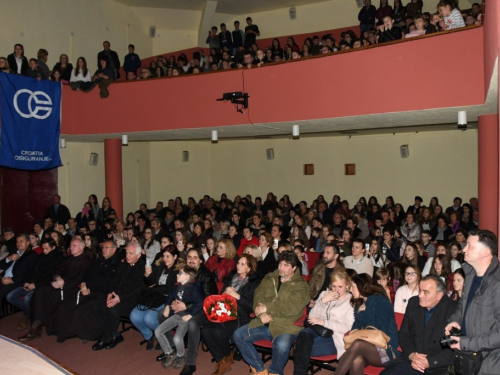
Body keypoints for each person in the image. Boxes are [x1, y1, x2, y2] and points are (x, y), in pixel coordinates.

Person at [233, 251, 310, 375]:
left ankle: (275, 372)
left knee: (282, 345)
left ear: (294, 268)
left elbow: (291, 307)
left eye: (286, 265)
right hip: (263, 322)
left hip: (286, 326)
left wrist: (267, 308)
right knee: (238, 335)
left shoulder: (301, 285)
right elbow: (257, 297)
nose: (281, 268)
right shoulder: (270, 278)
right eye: (280, 264)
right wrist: (261, 314)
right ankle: (260, 369)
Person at [19, 238, 92, 341]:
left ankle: (39, 325)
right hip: (59, 285)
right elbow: (56, 270)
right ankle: (37, 324)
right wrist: (58, 278)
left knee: (46, 295)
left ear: (81, 247)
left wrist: (62, 284)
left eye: (73, 246)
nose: (70, 248)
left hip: (72, 290)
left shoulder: (87, 261)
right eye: (70, 245)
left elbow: (82, 279)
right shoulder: (69, 258)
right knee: (40, 290)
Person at [381, 274, 457, 375]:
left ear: (439, 295)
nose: (420, 295)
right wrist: (411, 354)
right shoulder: (413, 303)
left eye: (426, 292)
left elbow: (454, 348)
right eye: (420, 290)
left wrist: (429, 362)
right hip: (413, 360)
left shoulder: (453, 311)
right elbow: (404, 334)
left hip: (438, 366)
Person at [202, 254, 261, 375]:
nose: (238, 266)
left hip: (239, 316)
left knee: (219, 334)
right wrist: (224, 294)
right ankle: (223, 360)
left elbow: (252, 307)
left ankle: (225, 360)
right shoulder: (231, 278)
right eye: (238, 263)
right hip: (223, 312)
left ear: (249, 268)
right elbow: (220, 297)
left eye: (242, 264)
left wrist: (237, 296)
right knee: (206, 331)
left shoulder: (254, 283)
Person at [334, 274, 400, 375]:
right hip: (369, 347)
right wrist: (360, 315)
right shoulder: (360, 303)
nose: (350, 290)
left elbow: (378, 328)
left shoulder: (379, 300)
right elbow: (355, 327)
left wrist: (362, 315)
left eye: (353, 286)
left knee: (357, 343)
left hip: (386, 348)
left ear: (361, 287)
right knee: (356, 361)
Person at [56, 240, 120, 342]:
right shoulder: (98, 260)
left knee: (81, 311)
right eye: (103, 247)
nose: (104, 250)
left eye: (107, 248)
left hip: (101, 293)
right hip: (86, 289)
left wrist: (87, 285)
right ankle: (66, 332)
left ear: (114, 250)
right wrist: (83, 284)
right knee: (64, 307)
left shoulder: (116, 263)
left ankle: (90, 334)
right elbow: (86, 273)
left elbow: (106, 279)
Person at [293, 269, 355, 375]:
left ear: (347, 286)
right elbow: (311, 317)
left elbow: (347, 327)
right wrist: (322, 302)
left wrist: (325, 323)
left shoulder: (350, 301)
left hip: (335, 336)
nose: (336, 290)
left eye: (340, 287)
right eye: (334, 286)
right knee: (304, 334)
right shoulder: (325, 294)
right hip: (317, 330)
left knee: (300, 349)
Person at [91, 243, 146, 350]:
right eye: (126, 253)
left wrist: (119, 298)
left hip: (131, 300)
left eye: (131, 253)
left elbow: (138, 289)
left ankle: (106, 338)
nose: (128, 256)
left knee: (113, 310)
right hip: (117, 295)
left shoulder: (142, 268)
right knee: (97, 307)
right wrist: (110, 293)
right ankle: (115, 335)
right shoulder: (123, 264)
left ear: (138, 255)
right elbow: (114, 280)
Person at [130, 245, 181, 350]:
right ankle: (149, 336)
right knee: (134, 316)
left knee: (148, 318)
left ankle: (163, 336)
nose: (165, 259)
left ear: (175, 257)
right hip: (153, 297)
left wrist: (155, 287)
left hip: (167, 299)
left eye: (168, 256)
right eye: (164, 256)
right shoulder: (160, 266)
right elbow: (150, 283)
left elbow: (170, 289)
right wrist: (146, 275)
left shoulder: (178, 270)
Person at [7, 238, 64, 331]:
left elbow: (50, 276)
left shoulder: (58, 258)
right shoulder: (41, 256)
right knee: (10, 297)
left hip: (42, 286)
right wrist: (26, 281)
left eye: (46, 249)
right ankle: (31, 311)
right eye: (43, 249)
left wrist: (35, 285)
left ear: (53, 247)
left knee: (27, 299)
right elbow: (32, 270)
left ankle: (26, 316)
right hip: (31, 283)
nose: (44, 251)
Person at [177, 249, 218, 375]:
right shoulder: (184, 271)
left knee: (193, 323)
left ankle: (190, 363)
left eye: (195, 257)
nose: (191, 260)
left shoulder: (205, 274)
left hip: (206, 308)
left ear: (200, 260)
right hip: (190, 306)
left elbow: (207, 299)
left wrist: (186, 305)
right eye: (189, 257)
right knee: (163, 313)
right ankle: (174, 350)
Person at [155, 266, 202, 370]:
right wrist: (167, 306)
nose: (177, 274)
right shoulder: (177, 286)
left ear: (187, 276)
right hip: (177, 315)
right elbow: (170, 296)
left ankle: (180, 356)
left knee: (177, 338)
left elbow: (199, 303)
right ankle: (170, 353)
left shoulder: (193, 288)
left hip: (185, 317)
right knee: (158, 331)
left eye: (180, 273)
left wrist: (190, 315)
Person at [0, 234, 39, 317]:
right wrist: (8, 259)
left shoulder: (31, 255)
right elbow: (1, 265)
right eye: (17, 241)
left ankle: (32, 311)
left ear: (28, 242)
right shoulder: (14, 252)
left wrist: (12, 280)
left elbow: (28, 274)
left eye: (21, 241)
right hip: (3, 277)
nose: (19, 243)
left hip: (16, 282)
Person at [308, 243, 345, 307]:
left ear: (336, 256)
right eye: (324, 252)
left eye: (328, 253)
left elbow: (341, 294)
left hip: (331, 304)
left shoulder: (342, 272)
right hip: (315, 302)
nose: (324, 255)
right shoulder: (318, 268)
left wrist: (323, 301)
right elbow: (310, 288)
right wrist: (309, 300)